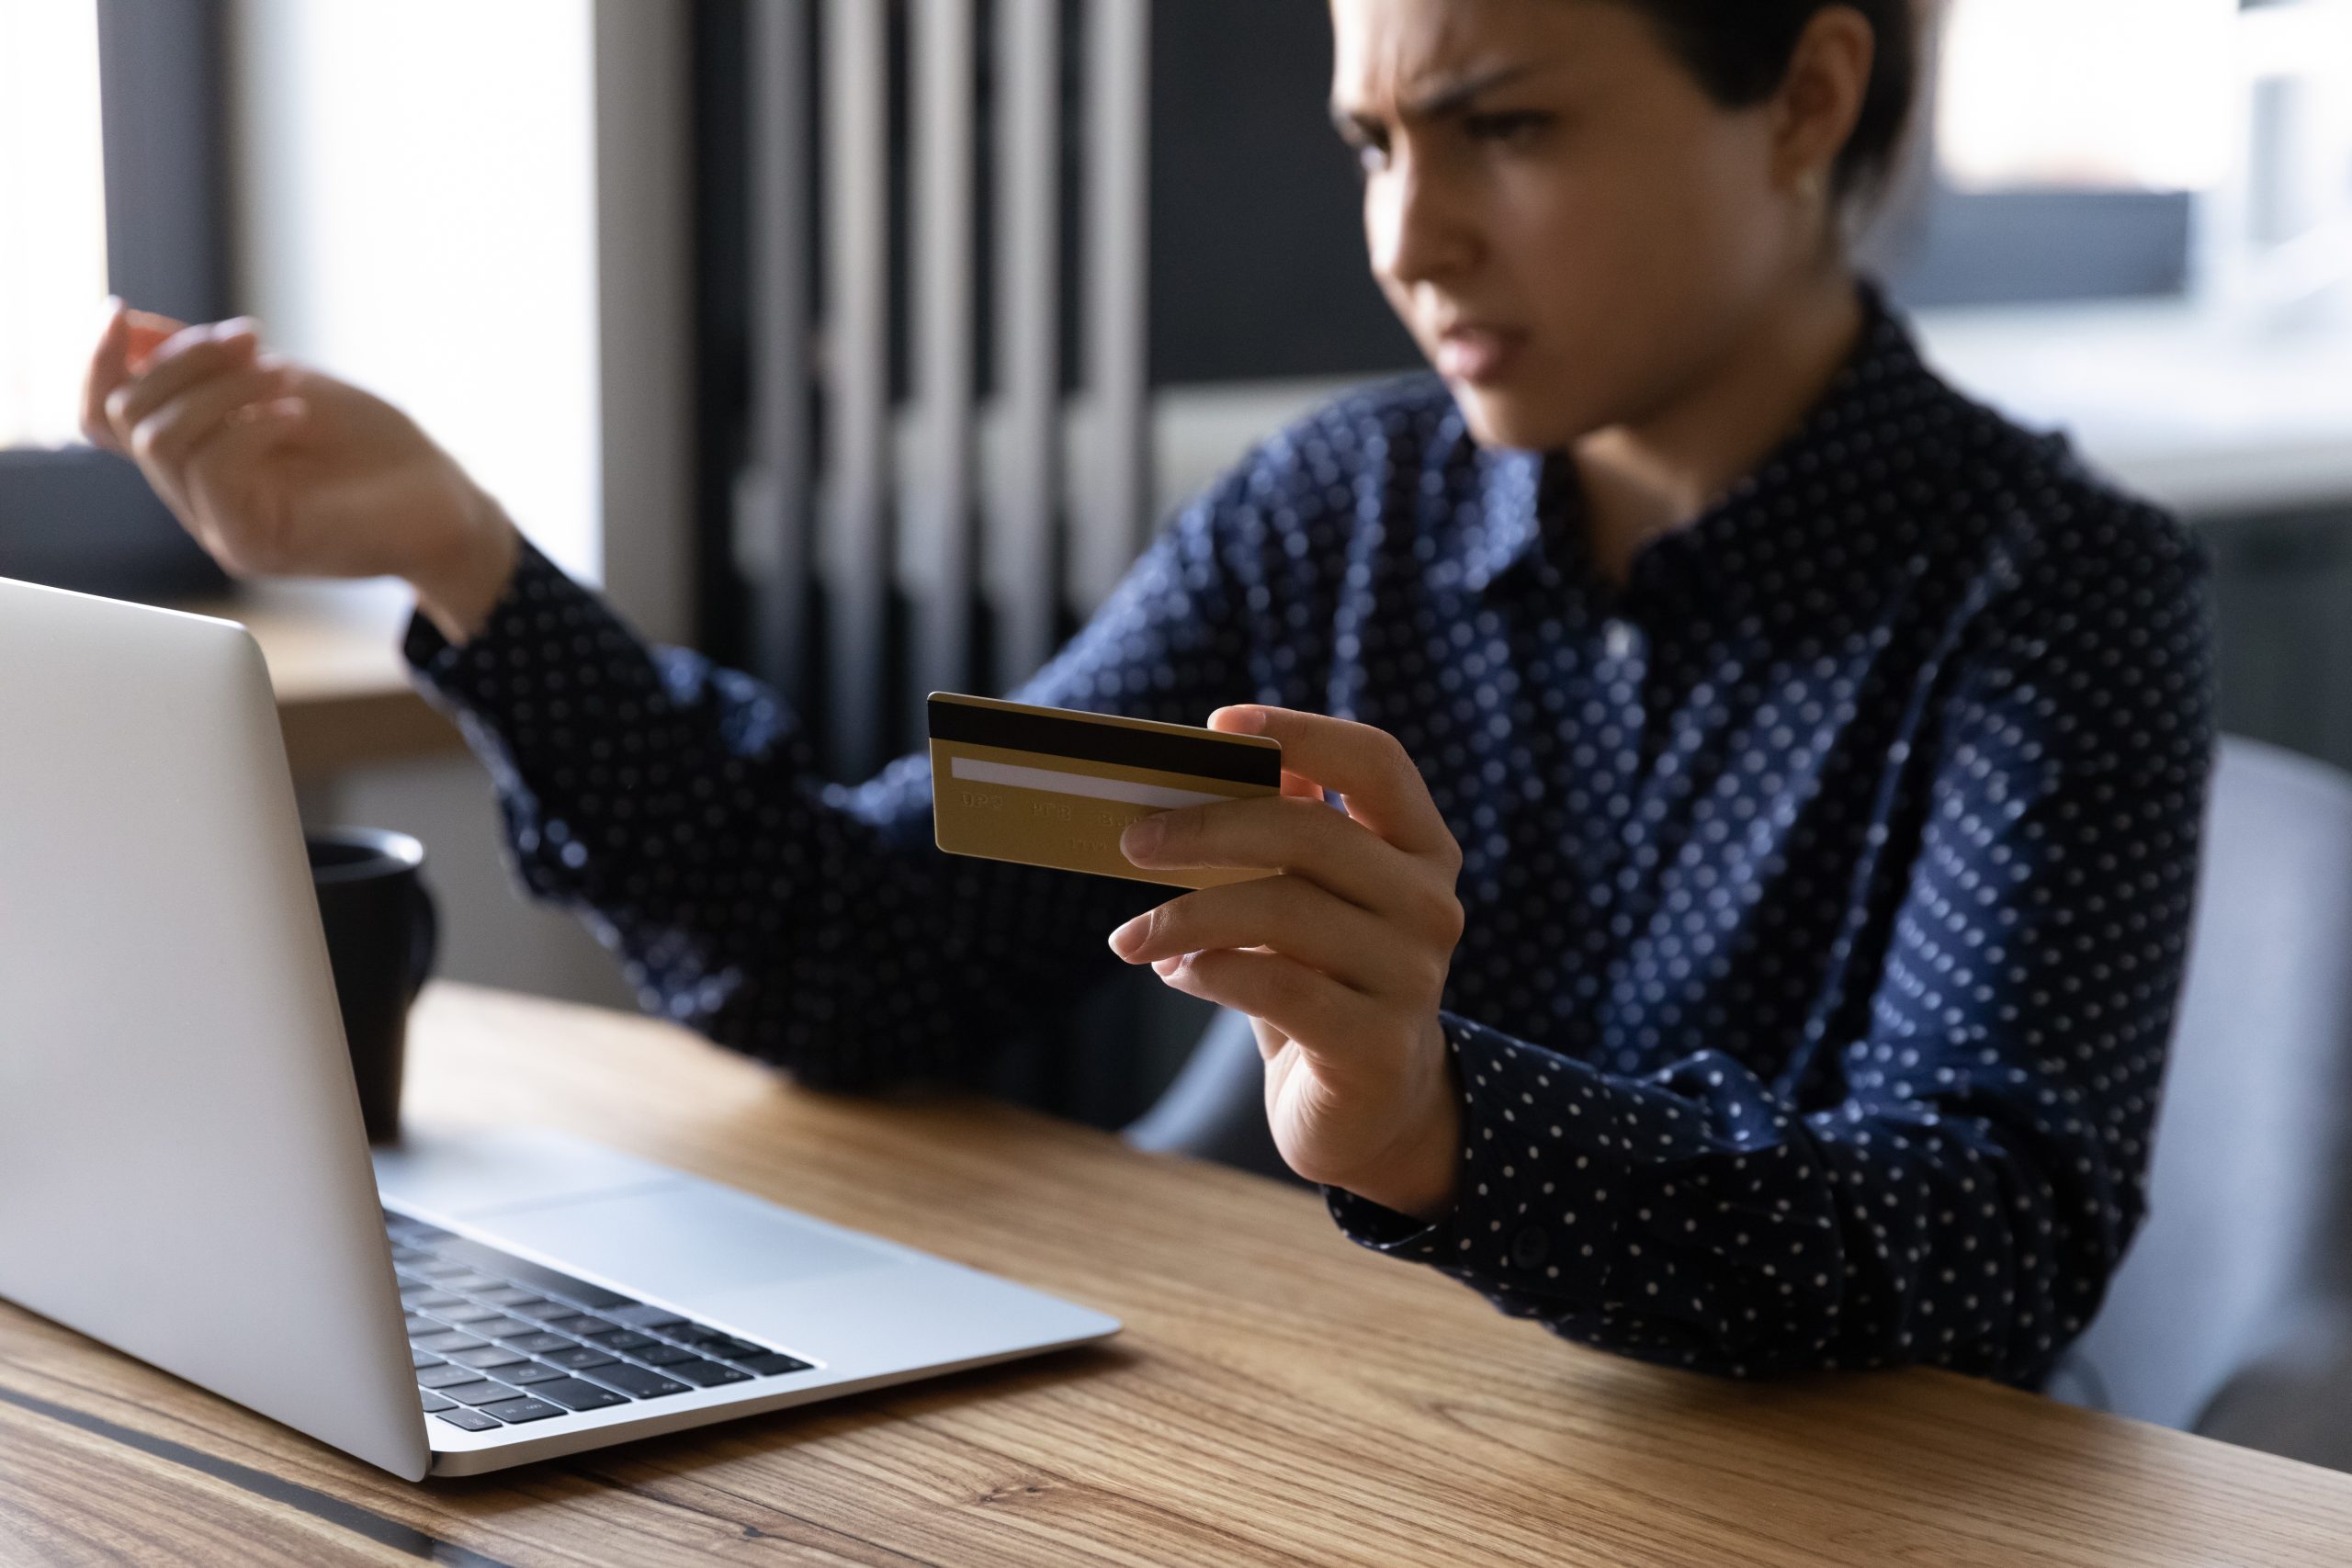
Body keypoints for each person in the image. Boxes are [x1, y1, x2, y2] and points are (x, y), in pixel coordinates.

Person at [79, 0, 2212, 1387]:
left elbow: (1976, 1235)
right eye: (1374, 144)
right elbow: (864, 938)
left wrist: (1432, 1119)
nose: (1411, 239)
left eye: (1503, 128)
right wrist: (459, 550)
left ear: (1808, 99)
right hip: (1320, 1457)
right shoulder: (1335, 511)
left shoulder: (2057, 597)